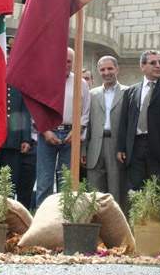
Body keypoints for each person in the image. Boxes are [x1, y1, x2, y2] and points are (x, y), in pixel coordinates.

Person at [117, 50, 160, 193]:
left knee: (159, 193)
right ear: (142, 66)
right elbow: (124, 121)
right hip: (135, 148)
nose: (158, 66)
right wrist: (121, 147)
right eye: (153, 63)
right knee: (137, 193)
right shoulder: (131, 91)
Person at [36, 47, 90, 207]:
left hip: (70, 135)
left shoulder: (81, 83)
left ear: (73, 63)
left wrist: (77, 130)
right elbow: (37, 110)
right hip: (47, 133)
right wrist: (45, 131)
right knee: (44, 180)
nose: (65, 64)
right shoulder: (44, 80)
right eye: (62, 61)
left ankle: (65, 216)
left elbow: (85, 111)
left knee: (66, 180)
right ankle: (42, 220)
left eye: (69, 61)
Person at [83, 56, 127, 206]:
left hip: (116, 148)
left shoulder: (128, 93)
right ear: (98, 72)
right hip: (94, 148)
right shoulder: (92, 94)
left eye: (110, 68)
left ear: (117, 69)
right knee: (94, 194)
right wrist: (83, 150)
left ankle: (116, 228)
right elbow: (86, 124)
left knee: (116, 192)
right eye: (102, 69)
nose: (106, 72)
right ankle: (96, 228)